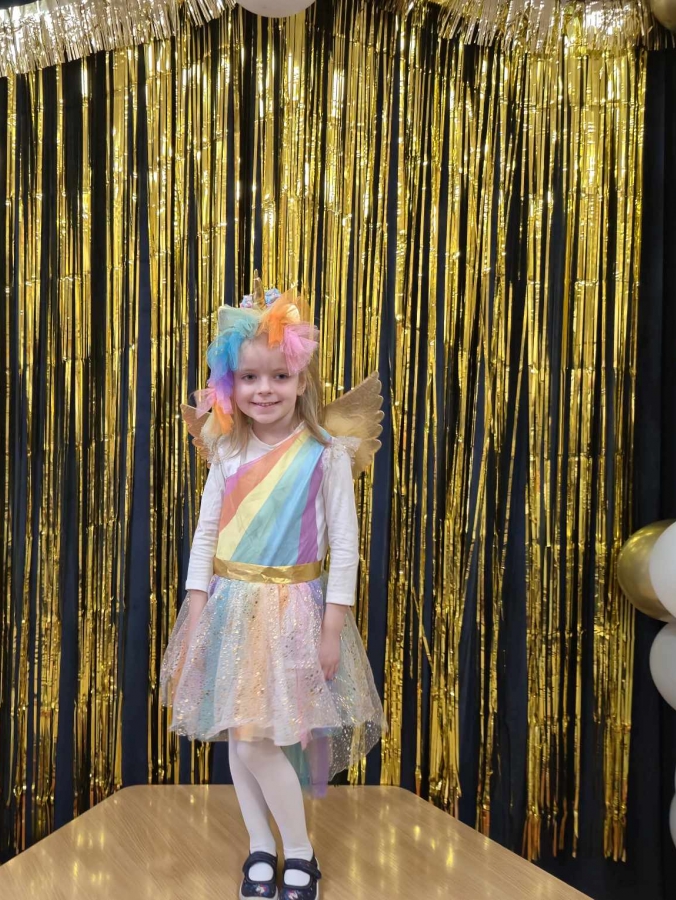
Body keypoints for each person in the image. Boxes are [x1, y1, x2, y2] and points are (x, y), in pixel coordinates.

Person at [159, 278, 387, 900]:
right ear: (230, 385)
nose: (265, 390)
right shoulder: (225, 449)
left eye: (280, 377)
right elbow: (206, 536)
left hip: (292, 612)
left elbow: (346, 546)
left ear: (302, 380)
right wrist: (195, 609)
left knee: (263, 738)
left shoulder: (325, 453)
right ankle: (264, 846)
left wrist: (333, 628)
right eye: (250, 378)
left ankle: (301, 854)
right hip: (229, 607)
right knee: (242, 737)